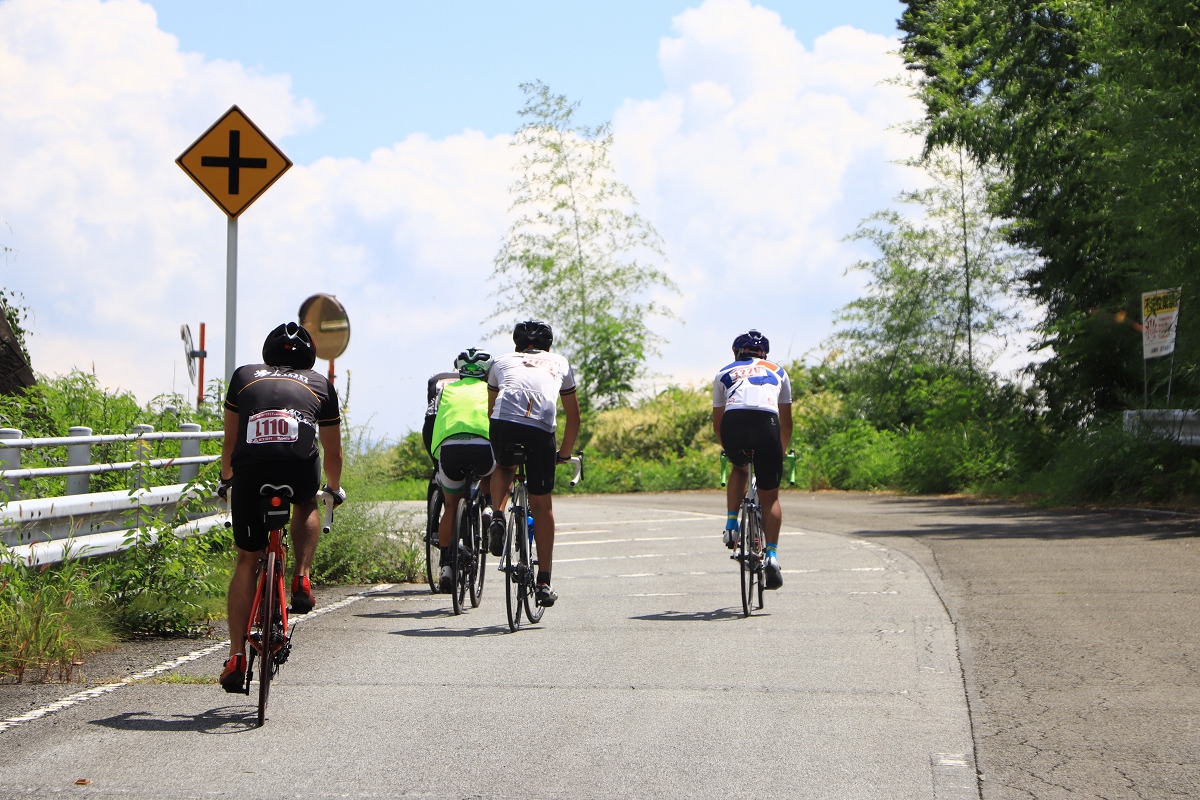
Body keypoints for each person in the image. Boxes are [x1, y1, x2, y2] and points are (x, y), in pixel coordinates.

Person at [217, 322, 345, 693]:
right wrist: (331, 490)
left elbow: (230, 441)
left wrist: (227, 480)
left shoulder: (244, 376)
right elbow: (333, 452)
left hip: (250, 471)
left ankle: (238, 655)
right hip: (298, 467)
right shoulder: (320, 383)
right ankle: (301, 576)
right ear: (308, 357)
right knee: (306, 501)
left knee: (246, 559)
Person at [487, 320, 581, 607]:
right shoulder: (559, 362)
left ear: (517, 345)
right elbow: (574, 417)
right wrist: (563, 454)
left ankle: (498, 515)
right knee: (543, 506)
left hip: (504, 422)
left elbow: (491, 407)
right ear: (548, 346)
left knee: (504, 467)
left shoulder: (500, 361)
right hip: (540, 427)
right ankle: (543, 581)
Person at [712, 329, 792, 590]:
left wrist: (731, 450)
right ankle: (771, 555)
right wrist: (779, 453)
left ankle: (731, 524)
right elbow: (786, 424)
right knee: (770, 496)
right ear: (764, 354)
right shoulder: (779, 371)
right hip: (767, 424)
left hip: (734, 424)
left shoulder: (724, 372)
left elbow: (717, 424)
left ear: (736, 353)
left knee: (739, 469)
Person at [429, 348, 496, 593]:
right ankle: (489, 504)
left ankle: (447, 565)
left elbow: (432, 421)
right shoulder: (492, 390)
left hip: (449, 449)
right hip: (482, 446)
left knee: (452, 504)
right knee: (494, 469)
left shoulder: (446, 389)